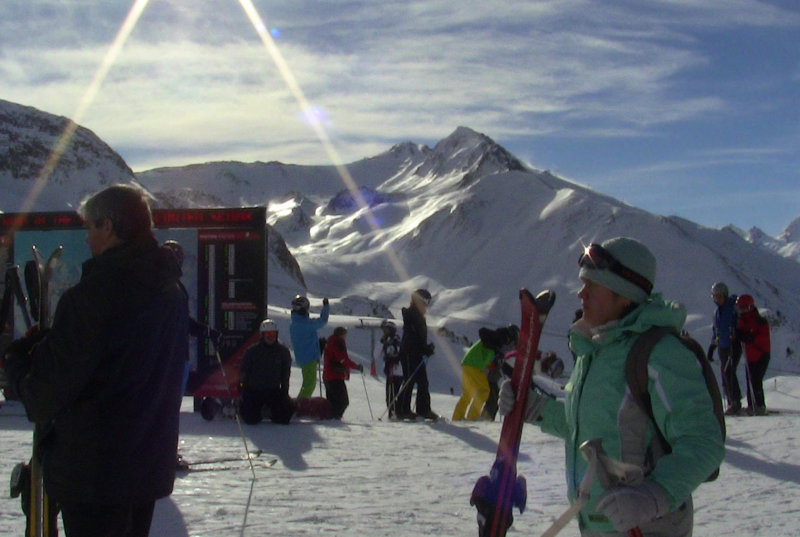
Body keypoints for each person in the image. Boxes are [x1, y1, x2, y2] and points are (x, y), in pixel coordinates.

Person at [500, 237, 725, 537]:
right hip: (598, 523)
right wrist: (535, 408)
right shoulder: (594, 351)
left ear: (625, 295)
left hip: (648, 526)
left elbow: (703, 442)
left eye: (592, 286)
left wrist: (654, 495)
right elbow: (592, 427)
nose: (581, 293)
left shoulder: (660, 354)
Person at [3, 184, 189, 537]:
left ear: (109, 226)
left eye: (90, 227)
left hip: (94, 473)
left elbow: (44, 394)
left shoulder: (94, 295)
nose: (87, 238)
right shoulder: (170, 290)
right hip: (145, 466)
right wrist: (54, 342)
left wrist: (17, 364)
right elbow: (122, 356)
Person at [453, 326, 517, 421]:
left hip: (468, 363)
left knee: (468, 393)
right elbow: (490, 359)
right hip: (475, 365)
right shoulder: (499, 339)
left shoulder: (492, 339)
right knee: (484, 391)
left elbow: (488, 359)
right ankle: (472, 418)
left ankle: (457, 418)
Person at [239, 319, 294, 424]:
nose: (270, 337)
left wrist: (285, 392)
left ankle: (270, 412)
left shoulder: (283, 352)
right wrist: (242, 388)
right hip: (254, 390)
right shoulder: (252, 351)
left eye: (273, 334)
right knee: (250, 418)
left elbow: (285, 374)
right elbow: (244, 371)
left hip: (273, 390)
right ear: (262, 335)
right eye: (267, 334)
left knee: (284, 417)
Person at [397, 288, 437, 420]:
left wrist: (426, 348)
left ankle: (423, 410)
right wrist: (424, 348)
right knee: (409, 379)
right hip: (409, 352)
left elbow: (419, 337)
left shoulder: (418, 315)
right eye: (425, 301)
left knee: (423, 381)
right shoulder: (412, 314)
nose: (426, 305)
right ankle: (402, 410)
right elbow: (413, 336)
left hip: (416, 352)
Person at [711, 281, 743, 415]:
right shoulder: (718, 312)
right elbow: (716, 330)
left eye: (719, 296)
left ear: (725, 295)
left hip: (733, 344)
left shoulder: (732, 308)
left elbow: (740, 322)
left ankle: (735, 402)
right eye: (715, 297)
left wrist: (738, 333)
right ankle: (731, 401)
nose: (717, 299)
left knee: (729, 372)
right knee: (725, 374)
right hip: (723, 346)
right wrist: (712, 346)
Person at [735, 294, 771, 416]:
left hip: (761, 354)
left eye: (744, 307)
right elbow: (740, 334)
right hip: (750, 356)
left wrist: (751, 338)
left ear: (750, 306)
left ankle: (759, 405)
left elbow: (764, 338)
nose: (741, 310)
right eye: (740, 307)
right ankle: (752, 405)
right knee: (750, 380)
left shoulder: (759, 321)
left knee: (756, 380)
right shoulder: (742, 320)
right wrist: (739, 335)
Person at [289, 294, 329, 399]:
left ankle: (300, 402)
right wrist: (326, 307)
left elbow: (306, 339)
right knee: (309, 385)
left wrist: (317, 348)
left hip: (305, 356)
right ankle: (300, 404)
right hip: (309, 358)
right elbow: (322, 321)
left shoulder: (295, 322)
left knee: (308, 383)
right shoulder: (305, 324)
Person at [322, 326, 363, 419]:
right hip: (335, 376)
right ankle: (335, 418)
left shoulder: (330, 342)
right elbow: (343, 359)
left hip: (328, 376)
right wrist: (356, 366)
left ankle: (331, 417)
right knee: (343, 402)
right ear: (342, 334)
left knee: (332, 402)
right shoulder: (338, 342)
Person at [379, 319, 403, 419]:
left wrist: (382, 343)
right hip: (396, 371)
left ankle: (394, 413)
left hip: (394, 371)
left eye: (386, 330)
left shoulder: (393, 341)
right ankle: (396, 412)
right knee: (393, 393)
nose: (384, 332)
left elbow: (377, 354)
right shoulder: (396, 341)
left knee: (391, 394)